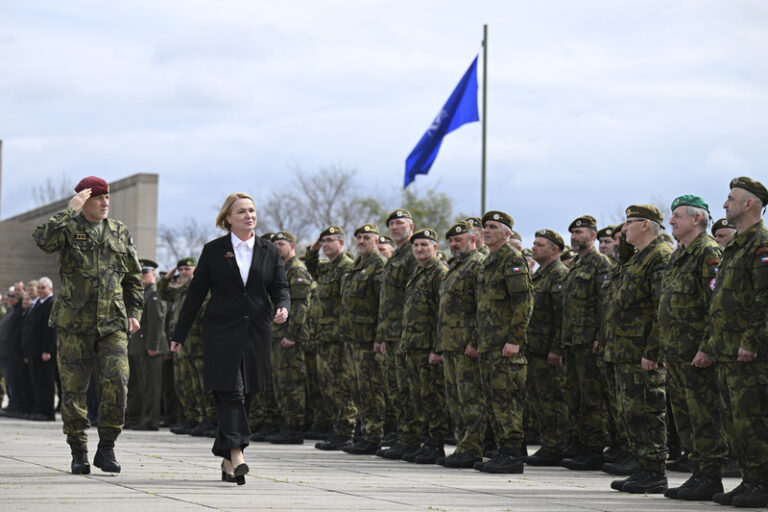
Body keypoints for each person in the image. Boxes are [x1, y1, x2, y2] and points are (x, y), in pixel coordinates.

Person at [170, 192, 290, 485]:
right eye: (241, 212)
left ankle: (225, 460)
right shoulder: (214, 250)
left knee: (248, 393)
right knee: (230, 391)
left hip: (257, 333)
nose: (249, 215)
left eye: (252, 210)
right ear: (227, 219)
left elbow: (280, 286)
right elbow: (196, 294)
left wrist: (283, 306)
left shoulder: (268, 250)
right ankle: (237, 454)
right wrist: (179, 333)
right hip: (222, 332)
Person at [33, 176, 143, 475]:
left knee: (118, 382)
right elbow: (43, 240)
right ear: (84, 201)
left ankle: (106, 447)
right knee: (73, 389)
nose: (105, 202)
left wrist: (134, 312)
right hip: (74, 323)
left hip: (113, 323)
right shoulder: (69, 227)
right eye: (98, 198)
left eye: (107, 197)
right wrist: (69, 211)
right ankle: (78, 450)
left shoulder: (119, 231)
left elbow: (133, 278)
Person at [659, 195, 728, 501]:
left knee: (704, 417)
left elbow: (716, 305)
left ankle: (710, 476)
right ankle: (698, 473)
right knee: (685, 417)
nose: (671, 220)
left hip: (696, 353)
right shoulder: (680, 254)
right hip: (676, 353)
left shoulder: (708, 251)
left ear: (697, 219)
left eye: (677, 216)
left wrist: (708, 348)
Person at [707, 177, 768, 507]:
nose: (724, 204)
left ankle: (762, 482)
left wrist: (751, 340)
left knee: (753, 418)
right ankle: (751, 479)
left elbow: (765, 297)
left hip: (750, 352)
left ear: (749, 204)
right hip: (727, 349)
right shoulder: (736, 245)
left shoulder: (762, 244)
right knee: (735, 420)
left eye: (730, 199)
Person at [608, 205, 672, 494]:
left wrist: (653, 350)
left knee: (647, 410)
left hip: (643, 351)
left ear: (645, 225)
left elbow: (663, 307)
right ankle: (643, 466)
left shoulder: (660, 256)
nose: (623, 229)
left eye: (629, 223)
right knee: (632, 412)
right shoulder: (638, 257)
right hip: (626, 350)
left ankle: (654, 471)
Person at [474, 210, 533, 474]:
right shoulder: (489, 261)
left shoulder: (512, 259)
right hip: (489, 344)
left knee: (507, 399)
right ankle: (503, 450)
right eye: (485, 226)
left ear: (507, 234)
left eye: (493, 227)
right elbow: (484, 308)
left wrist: (515, 340)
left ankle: (511, 455)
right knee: (494, 399)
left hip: (505, 345)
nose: (486, 230)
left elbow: (523, 303)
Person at [560, 215, 613, 470]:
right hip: (572, 341)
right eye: (572, 233)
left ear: (592, 236)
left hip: (588, 341)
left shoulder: (600, 264)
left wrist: (599, 338)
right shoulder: (576, 265)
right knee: (576, 395)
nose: (574, 237)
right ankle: (580, 443)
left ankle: (594, 448)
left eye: (579, 232)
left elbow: (604, 305)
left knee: (592, 397)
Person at [305, 226, 357, 450]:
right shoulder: (326, 269)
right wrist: (313, 250)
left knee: (340, 385)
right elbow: (310, 267)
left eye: (330, 241)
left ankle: (347, 430)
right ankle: (338, 428)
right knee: (327, 386)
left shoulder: (347, 267)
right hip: (323, 337)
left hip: (337, 337)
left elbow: (348, 304)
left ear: (342, 243)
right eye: (323, 241)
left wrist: (345, 333)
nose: (326, 245)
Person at [398, 228, 448, 464]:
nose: (419, 249)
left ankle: (435, 443)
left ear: (435, 248)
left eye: (424, 245)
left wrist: (437, 349)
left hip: (429, 347)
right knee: (419, 396)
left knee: (432, 397)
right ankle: (426, 440)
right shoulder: (418, 272)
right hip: (415, 346)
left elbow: (442, 314)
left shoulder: (438, 272)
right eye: (416, 245)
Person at [375, 209, 419, 460]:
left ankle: (411, 439)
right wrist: (382, 335)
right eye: (391, 224)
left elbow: (413, 300)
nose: (394, 227)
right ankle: (404, 437)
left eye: (400, 223)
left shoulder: (412, 254)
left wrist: (405, 335)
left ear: (411, 227)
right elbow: (388, 301)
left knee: (407, 389)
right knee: (396, 389)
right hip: (391, 334)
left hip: (404, 335)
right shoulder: (395, 257)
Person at [340, 223, 387, 455]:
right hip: (353, 339)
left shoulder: (378, 265)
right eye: (358, 237)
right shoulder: (357, 265)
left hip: (369, 340)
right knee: (357, 389)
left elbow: (383, 306)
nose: (361, 241)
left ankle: (374, 435)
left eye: (366, 237)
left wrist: (380, 337)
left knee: (371, 389)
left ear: (376, 241)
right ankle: (364, 432)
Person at [524, 229, 570, 466]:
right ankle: (548, 442)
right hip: (534, 348)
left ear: (554, 250)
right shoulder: (539, 275)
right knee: (539, 399)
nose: (534, 247)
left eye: (540, 245)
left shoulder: (559, 274)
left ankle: (556, 445)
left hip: (548, 350)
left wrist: (557, 348)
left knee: (553, 399)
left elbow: (562, 315)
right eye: (533, 243)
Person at [266, 231, 313, 444]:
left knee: (292, 383)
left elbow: (301, 305)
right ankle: (285, 425)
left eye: (281, 244)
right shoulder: (280, 269)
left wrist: (292, 334)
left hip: (290, 337)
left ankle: (295, 428)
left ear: (292, 246)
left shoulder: (296, 269)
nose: (277, 247)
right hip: (277, 335)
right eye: (274, 244)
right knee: (281, 383)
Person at [125, 259, 167, 431]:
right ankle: (135, 417)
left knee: (151, 386)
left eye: (145, 273)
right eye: (140, 273)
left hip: (150, 346)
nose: (142, 276)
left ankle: (150, 420)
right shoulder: (142, 292)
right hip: (137, 345)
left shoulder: (155, 293)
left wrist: (153, 345)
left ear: (153, 274)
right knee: (137, 385)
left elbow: (157, 321)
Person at [22, 277, 57, 421]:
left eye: (44, 288)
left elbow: (50, 329)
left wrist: (47, 350)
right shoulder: (39, 304)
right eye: (40, 288)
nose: (41, 290)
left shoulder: (51, 303)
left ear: (50, 289)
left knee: (45, 382)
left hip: (45, 351)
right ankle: (39, 408)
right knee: (37, 381)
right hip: (35, 351)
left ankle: (47, 412)